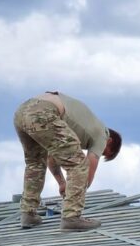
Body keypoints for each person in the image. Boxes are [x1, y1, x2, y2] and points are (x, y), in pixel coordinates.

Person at [13, 91, 122, 231]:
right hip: (44, 111)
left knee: (35, 163)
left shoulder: (78, 127)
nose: (99, 152)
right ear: (110, 141)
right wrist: (73, 195)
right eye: (104, 152)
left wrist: (62, 183)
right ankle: (72, 218)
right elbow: (88, 168)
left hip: (22, 112)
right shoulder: (103, 134)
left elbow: (52, 157)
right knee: (79, 164)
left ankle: (28, 214)